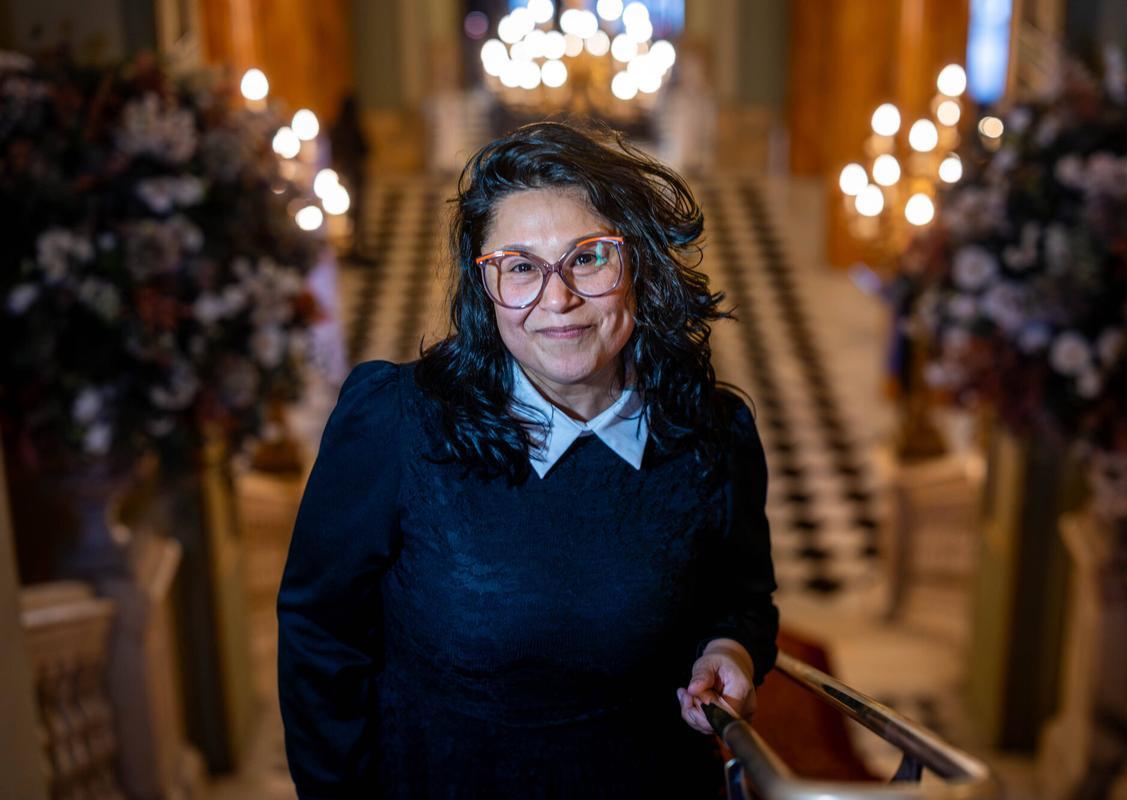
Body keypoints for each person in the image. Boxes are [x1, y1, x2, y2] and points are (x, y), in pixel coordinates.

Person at [277, 121, 778, 799]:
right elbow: (320, 636)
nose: (558, 298)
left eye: (589, 258)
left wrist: (730, 650)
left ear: (640, 265)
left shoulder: (712, 434)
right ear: (484, 289)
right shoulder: (395, 423)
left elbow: (742, 601)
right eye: (520, 268)